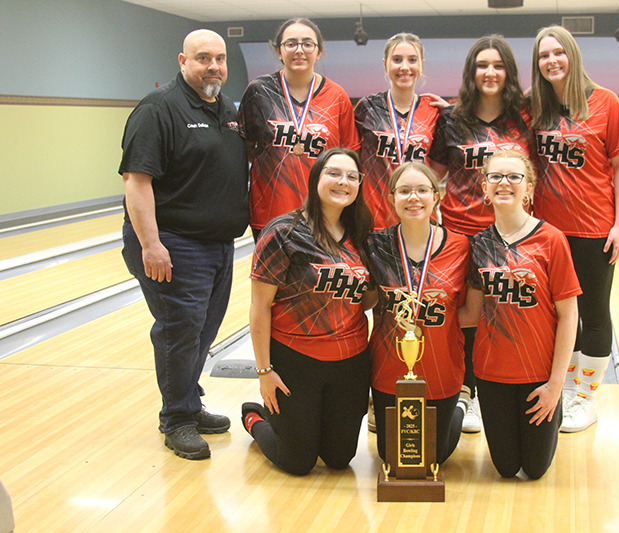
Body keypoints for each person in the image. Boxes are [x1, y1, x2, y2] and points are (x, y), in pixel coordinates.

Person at [119, 29, 250, 460]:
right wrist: (150, 244)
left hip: (217, 244)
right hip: (173, 243)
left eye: (220, 58)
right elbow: (137, 182)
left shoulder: (227, 109)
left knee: (203, 331)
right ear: (182, 61)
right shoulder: (158, 109)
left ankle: (189, 405)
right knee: (180, 330)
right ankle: (176, 419)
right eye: (202, 58)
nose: (213, 66)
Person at [241, 148, 374, 476]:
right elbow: (260, 307)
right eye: (333, 173)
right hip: (295, 359)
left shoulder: (363, 234)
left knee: (339, 458)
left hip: (350, 362)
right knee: (297, 462)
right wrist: (264, 371)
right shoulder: (283, 232)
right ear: (316, 178)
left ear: (359, 185)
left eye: (351, 176)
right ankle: (255, 418)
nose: (343, 181)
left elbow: (367, 298)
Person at [529, 25, 619, 432]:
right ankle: (563, 389)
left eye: (558, 53)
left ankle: (585, 398)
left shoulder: (604, 102)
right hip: (546, 234)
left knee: (592, 313)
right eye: (543, 55)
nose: (552, 61)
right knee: (556, 316)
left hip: (593, 230)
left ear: (572, 55)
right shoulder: (534, 108)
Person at [428, 35, 529, 433]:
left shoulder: (524, 118)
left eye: (498, 65)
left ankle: (501, 389)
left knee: (505, 312)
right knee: (465, 315)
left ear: (509, 72)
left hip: (509, 234)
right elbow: (434, 173)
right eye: (482, 65)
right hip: (460, 232)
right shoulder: (452, 119)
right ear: (471, 73)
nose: (490, 73)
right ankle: (465, 392)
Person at [459, 150, 580, 479]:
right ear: (485, 188)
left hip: (539, 375)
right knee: (507, 468)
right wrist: (416, 316)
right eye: (495, 176)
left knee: (536, 469)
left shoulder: (552, 240)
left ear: (529, 188)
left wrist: (556, 385)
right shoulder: (479, 245)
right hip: (491, 373)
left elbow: (569, 316)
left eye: (514, 177)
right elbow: (470, 314)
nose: (504, 183)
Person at [366, 162, 470, 465]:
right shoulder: (375, 245)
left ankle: (460, 405)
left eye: (422, 190)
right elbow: (366, 302)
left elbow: (469, 314)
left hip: (442, 369)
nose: (414, 198)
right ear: (392, 198)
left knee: (434, 458)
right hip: (389, 369)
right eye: (405, 191)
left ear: (436, 196)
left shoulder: (461, 246)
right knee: (394, 458)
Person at [238, 17, 359, 242]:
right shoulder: (259, 92)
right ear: (278, 50)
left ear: (319, 51)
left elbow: (350, 155)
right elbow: (245, 147)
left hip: (324, 215)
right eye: (291, 43)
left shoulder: (337, 96)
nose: (299, 50)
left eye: (307, 44)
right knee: (269, 279)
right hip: (270, 214)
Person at [355, 33, 440, 230]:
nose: (404, 67)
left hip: (421, 221)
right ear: (385, 64)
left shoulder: (433, 111)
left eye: (412, 60)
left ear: (421, 64)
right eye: (396, 60)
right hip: (374, 221)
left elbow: (438, 170)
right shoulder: (367, 108)